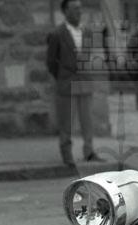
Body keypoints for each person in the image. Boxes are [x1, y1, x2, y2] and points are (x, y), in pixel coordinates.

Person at [47, 0, 103, 167]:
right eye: (75, 8)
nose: (79, 11)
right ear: (65, 11)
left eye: (80, 8)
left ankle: (89, 151)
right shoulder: (57, 34)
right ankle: (67, 154)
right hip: (67, 82)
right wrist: (62, 76)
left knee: (87, 120)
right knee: (67, 121)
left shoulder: (87, 32)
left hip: (84, 80)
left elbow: (88, 55)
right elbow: (51, 62)